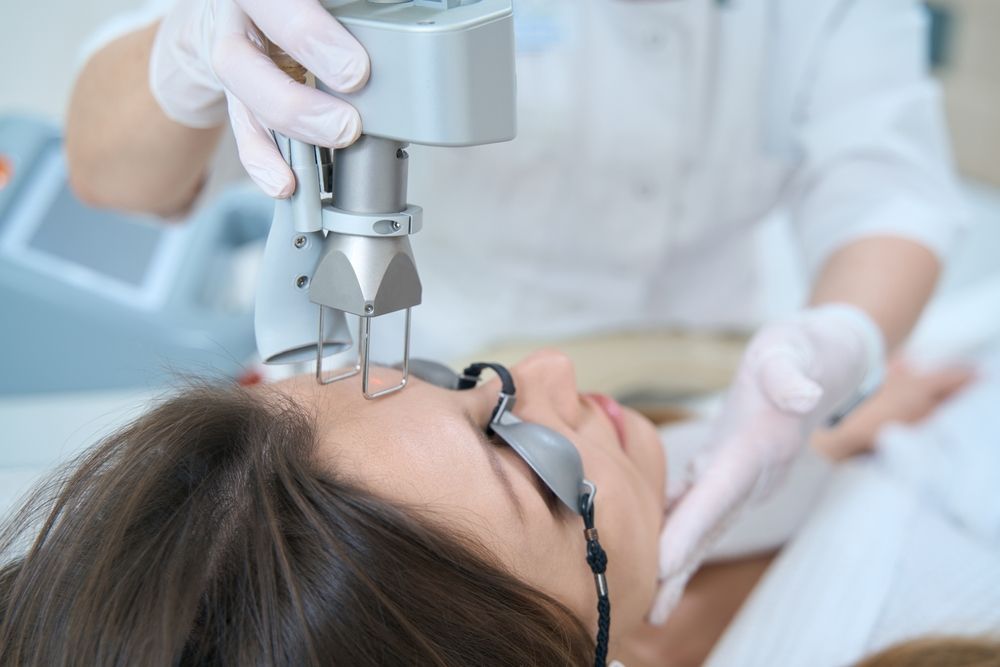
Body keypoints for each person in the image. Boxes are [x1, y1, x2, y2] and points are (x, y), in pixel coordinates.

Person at [63, 0, 968, 618]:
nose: (551, 372)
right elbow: (108, 169)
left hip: (710, 366)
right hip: (425, 358)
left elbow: (886, 186)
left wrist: (844, 341)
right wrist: (188, 45)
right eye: (519, 452)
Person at [1, 349, 994, 665]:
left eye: (452, 372)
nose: (550, 369)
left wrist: (846, 435)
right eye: (520, 448)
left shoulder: (656, 509)